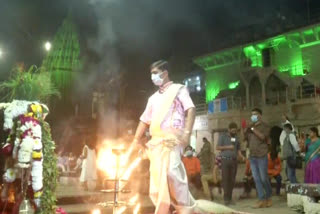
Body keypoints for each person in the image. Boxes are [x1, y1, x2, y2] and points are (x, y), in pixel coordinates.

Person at [132, 60, 196, 213]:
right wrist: (135, 139)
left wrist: (187, 133)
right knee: (156, 181)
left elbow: (191, 109)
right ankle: (163, 210)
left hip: (172, 140)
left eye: (155, 73)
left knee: (172, 172)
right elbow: (144, 120)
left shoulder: (179, 89)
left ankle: (184, 209)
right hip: (156, 143)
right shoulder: (152, 98)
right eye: (152, 74)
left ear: (165, 73)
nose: (153, 77)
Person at [244, 108, 272, 208]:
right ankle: (261, 199)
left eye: (255, 114)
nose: (253, 116)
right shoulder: (250, 127)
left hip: (261, 155)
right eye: (252, 115)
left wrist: (252, 129)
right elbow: (245, 139)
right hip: (252, 156)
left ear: (260, 115)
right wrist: (245, 129)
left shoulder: (265, 126)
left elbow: (263, 137)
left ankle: (269, 197)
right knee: (256, 179)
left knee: (264, 178)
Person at [216, 122, 245, 205]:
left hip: (234, 161)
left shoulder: (236, 138)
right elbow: (217, 147)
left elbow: (238, 149)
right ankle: (226, 199)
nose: (234, 132)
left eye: (235, 131)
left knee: (232, 180)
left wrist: (241, 156)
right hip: (225, 160)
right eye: (233, 131)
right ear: (229, 130)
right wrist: (228, 147)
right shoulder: (222, 137)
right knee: (225, 180)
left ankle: (230, 198)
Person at [279, 115, 295, 182]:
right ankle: (290, 179)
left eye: (284, 118)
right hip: (285, 150)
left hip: (289, 152)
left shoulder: (290, 132)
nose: (282, 119)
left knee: (289, 169)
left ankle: (292, 181)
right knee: (286, 168)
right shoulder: (283, 128)